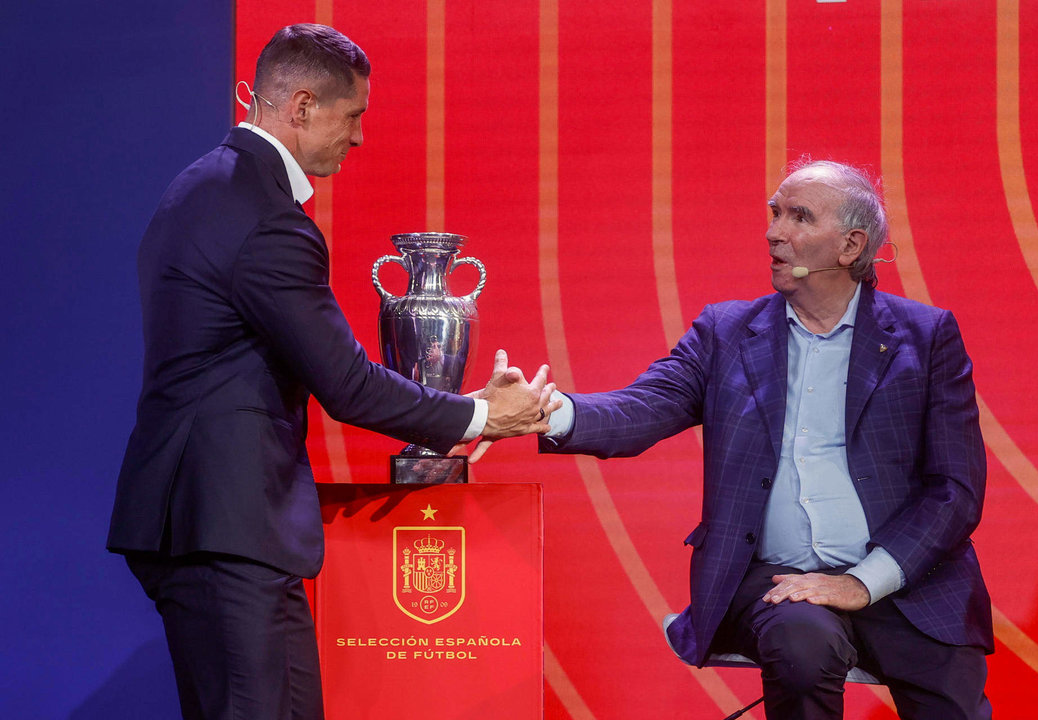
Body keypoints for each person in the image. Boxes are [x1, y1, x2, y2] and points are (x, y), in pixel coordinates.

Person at [107, 24, 557, 720]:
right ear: (303, 106)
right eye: (354, 117)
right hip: (225, 530)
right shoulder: (264, 220)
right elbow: (346, 382)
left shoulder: (198, 185)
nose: (360, 137)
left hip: (206, 525)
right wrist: (479, 415)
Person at [536, 160, 993, 719]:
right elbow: (645, 407)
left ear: (851, 245)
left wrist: (861, 583)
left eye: (799, 216)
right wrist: (547, 412)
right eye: (775, 213)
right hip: (781, 582)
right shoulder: (725, 332)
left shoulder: (926, 336)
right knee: (801, 648)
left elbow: (955, 489)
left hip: (907, 579)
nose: (774, 231)